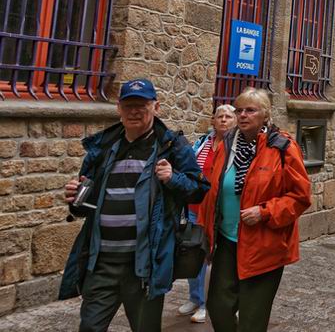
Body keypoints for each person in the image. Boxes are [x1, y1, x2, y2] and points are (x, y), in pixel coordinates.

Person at [60, 78, 209, 332]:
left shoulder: (171, 146)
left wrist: (173, 179)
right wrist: (76, 199)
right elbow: (86, 206)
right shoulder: (104, 148)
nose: (134, 111)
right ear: (119, 108)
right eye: (128, 105)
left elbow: (199, 190)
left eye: (142, 105)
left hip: (144, 267)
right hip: (101, 263)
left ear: (156, 107)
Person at [200, 88, 312, 332]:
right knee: (218, 307)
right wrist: (206, 232)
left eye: (250, 110)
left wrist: (265, 212)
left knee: (252, 320)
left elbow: (300, 196)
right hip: (227, 241)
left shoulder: (281, 146)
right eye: (239, 110)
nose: (242, 115)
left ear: (265, 114)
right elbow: (212, 191)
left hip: (265, 246)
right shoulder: (226, 144)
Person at [177, 104, 236, 324]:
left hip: (218, 210)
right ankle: (195, 297)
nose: (223, 120)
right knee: (193, 255)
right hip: (195, 208)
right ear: (212, 121)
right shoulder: (203, 143)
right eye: (219, 116)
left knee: (212, 259)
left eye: (228, 116)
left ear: (235, 121)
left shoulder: (237, 146)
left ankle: (205, 304)